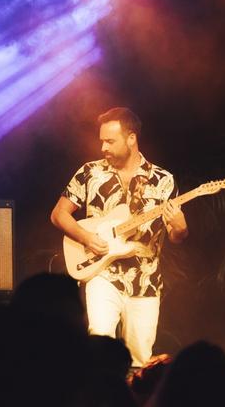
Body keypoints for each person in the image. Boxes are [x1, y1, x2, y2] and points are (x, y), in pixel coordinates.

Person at [51, 107, 188, 367]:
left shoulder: (163, 180)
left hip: (146, 281)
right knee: (99, 345)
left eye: (110, 141)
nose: (103, 147)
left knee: (140, 361)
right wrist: (86, 237)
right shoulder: (90, 173)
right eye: (101, 140)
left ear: (131, 138)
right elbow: (59, 214)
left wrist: (180, 227)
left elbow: (176, 236)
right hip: (102, 274)